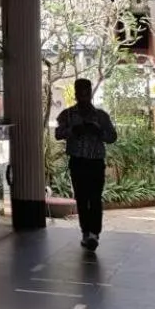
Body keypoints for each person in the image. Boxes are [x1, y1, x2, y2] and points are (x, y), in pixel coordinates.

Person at [54, 79, 116, 251]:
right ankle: (85, 232)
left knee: (95, 198)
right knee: (81, 198)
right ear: (75, 93)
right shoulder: (67, 114)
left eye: (86, 92)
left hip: (96, 162)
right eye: (80, 92)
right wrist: (72, 131)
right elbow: (58, 134)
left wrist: (99, 132)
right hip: (78, 162)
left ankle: (94, 234)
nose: (83, 96)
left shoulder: (101, 116)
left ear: (90, 93)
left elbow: (112, 137)